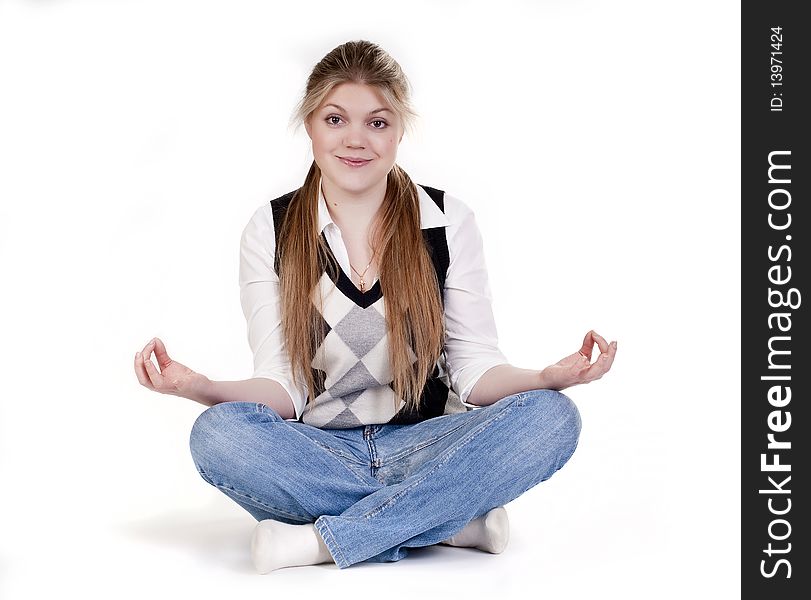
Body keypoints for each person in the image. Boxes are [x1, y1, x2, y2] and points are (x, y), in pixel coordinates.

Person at [133, 39, 617, 573]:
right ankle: (449, 520)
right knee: (219, 434)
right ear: (310, 125)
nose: (356, 140)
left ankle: (321, 543)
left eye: (378, 122)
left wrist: (547, 377)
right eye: (336, 119)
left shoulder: (446, 221)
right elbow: (282, 388)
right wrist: (197, 388)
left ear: (400, 130)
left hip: (429, 445)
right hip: (319, 452)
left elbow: (474, 370)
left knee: (552, 417)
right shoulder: (270, 228)